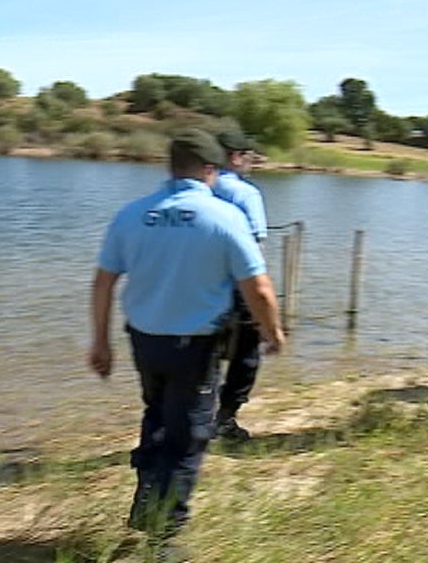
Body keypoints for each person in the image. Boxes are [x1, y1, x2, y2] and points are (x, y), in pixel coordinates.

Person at [88, 128, 285, 548]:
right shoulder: (223, 217)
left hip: (144, 340)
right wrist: (273, 332)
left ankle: (146, 497)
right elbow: (260, 289)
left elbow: (102, 283)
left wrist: (99, 343)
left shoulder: (132, 214)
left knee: (156, 415)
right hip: (194, 346)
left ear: (171, 166)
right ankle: (164, 540)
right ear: (210, 170)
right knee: (188, 436)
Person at [211, 129, 269, 441]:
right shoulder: (246, 194)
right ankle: (226, 417)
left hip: (197, 284)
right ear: (235, 157)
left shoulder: (197, 189)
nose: (251, 163)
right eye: (248, 157)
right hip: (236, 285)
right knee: (247, 352)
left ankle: (196, 414)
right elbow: (256, 249)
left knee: (203, 349)